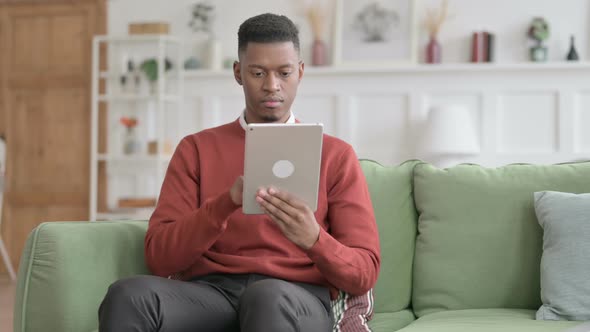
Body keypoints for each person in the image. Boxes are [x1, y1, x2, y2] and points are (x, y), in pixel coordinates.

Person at [98, 13, 380, 332]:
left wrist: (313, 238)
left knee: (266, 297)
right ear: (238, 73)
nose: (272, 85)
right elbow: (159, 257)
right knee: (127, 295)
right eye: (258, 72)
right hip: (213, 295)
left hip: (295, 298)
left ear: (300, 72)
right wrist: (224, 204)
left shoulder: (335, 155)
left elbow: (364, 272)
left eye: (284, 73)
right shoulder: (196, 149)